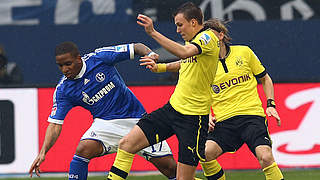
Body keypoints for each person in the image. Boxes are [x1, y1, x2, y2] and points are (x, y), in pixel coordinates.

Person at [141, 18, 284, 180]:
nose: (206, 38)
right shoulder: (204, 59)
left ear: (221, 35)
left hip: (251, 116)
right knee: (204, 154)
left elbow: (265, 78)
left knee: (265, 157)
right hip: (224, 121)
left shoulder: (244, 52)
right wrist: (159, 67)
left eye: (210, 34)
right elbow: (183, 62)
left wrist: (271, 104)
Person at [28, 41, 177, 180]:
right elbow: (55, 125)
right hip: (106, 124)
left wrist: (150, 54)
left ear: (79, 59)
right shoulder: (63, 90)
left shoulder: (100, 58)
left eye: (68, 64)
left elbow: (137, 47)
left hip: (138, 120)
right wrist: (43, 152)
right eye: (60, 66)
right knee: (83, 149)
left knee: (171, 169)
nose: (64, 69)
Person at [107, 2, 220, 180]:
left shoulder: (207, 38)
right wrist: (161, 68)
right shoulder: (192, 41)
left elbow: (184, 53)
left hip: (193, 120)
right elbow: (186, 63)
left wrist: (152, 32)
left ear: (193, 22)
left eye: (179, 25)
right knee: (126, 144)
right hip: (172, 110)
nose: (177, 30)